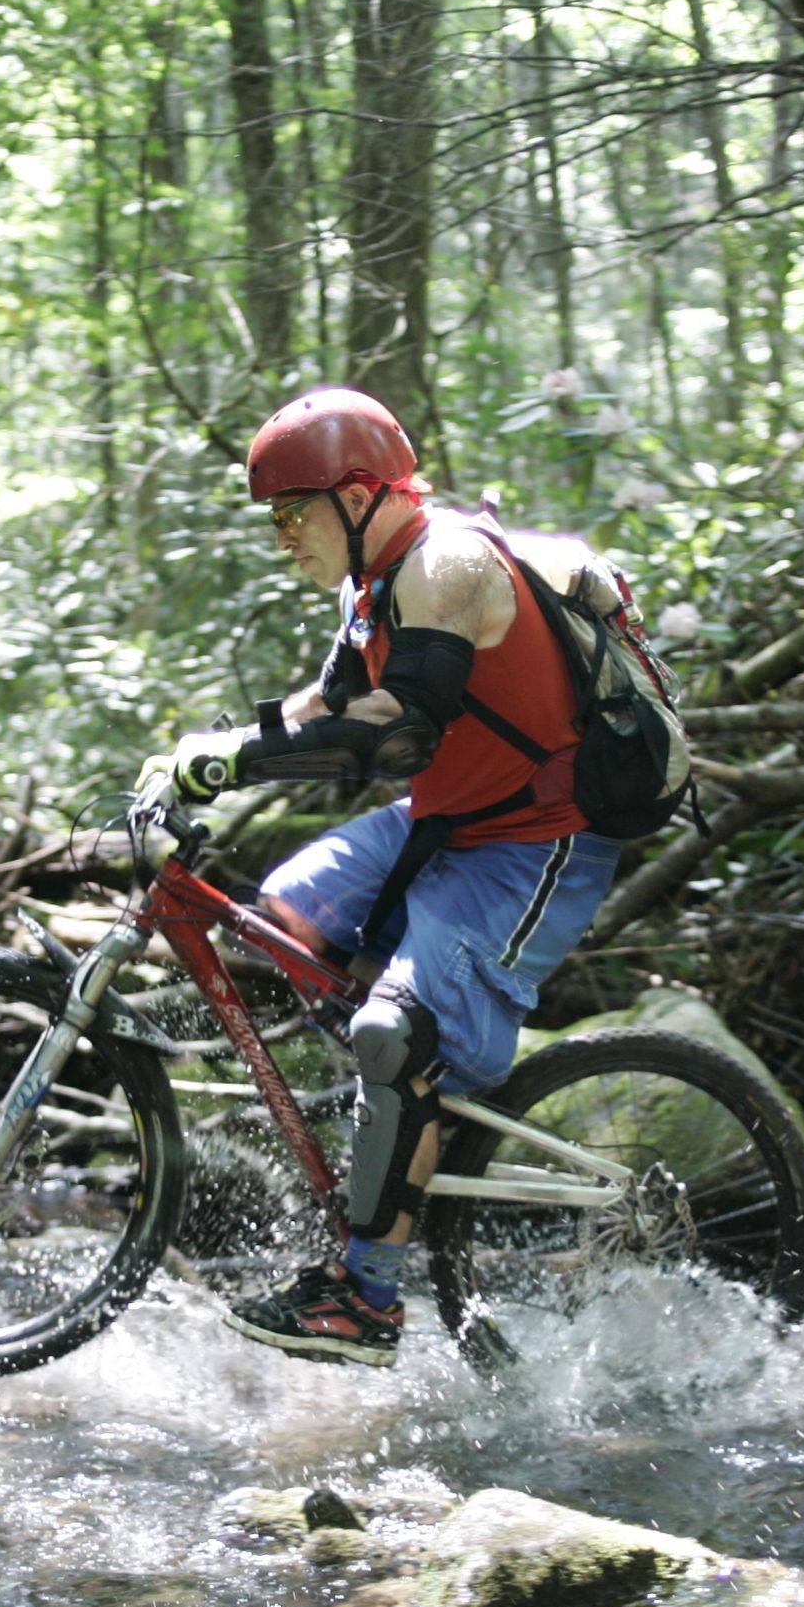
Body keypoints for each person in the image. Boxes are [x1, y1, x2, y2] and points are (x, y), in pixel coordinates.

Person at [140, 388, 620, 1367]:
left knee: (391, 1032)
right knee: (279, 916)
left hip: (535, 840)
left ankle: (365, 1295)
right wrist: (216, 747)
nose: (282, 537)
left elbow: (397, 729)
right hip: (443, 821)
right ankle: (393, 1114)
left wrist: (235, 766)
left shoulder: (444, 567)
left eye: (290, 513)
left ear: (358, 494)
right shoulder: (372, 582)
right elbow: (329, 700)